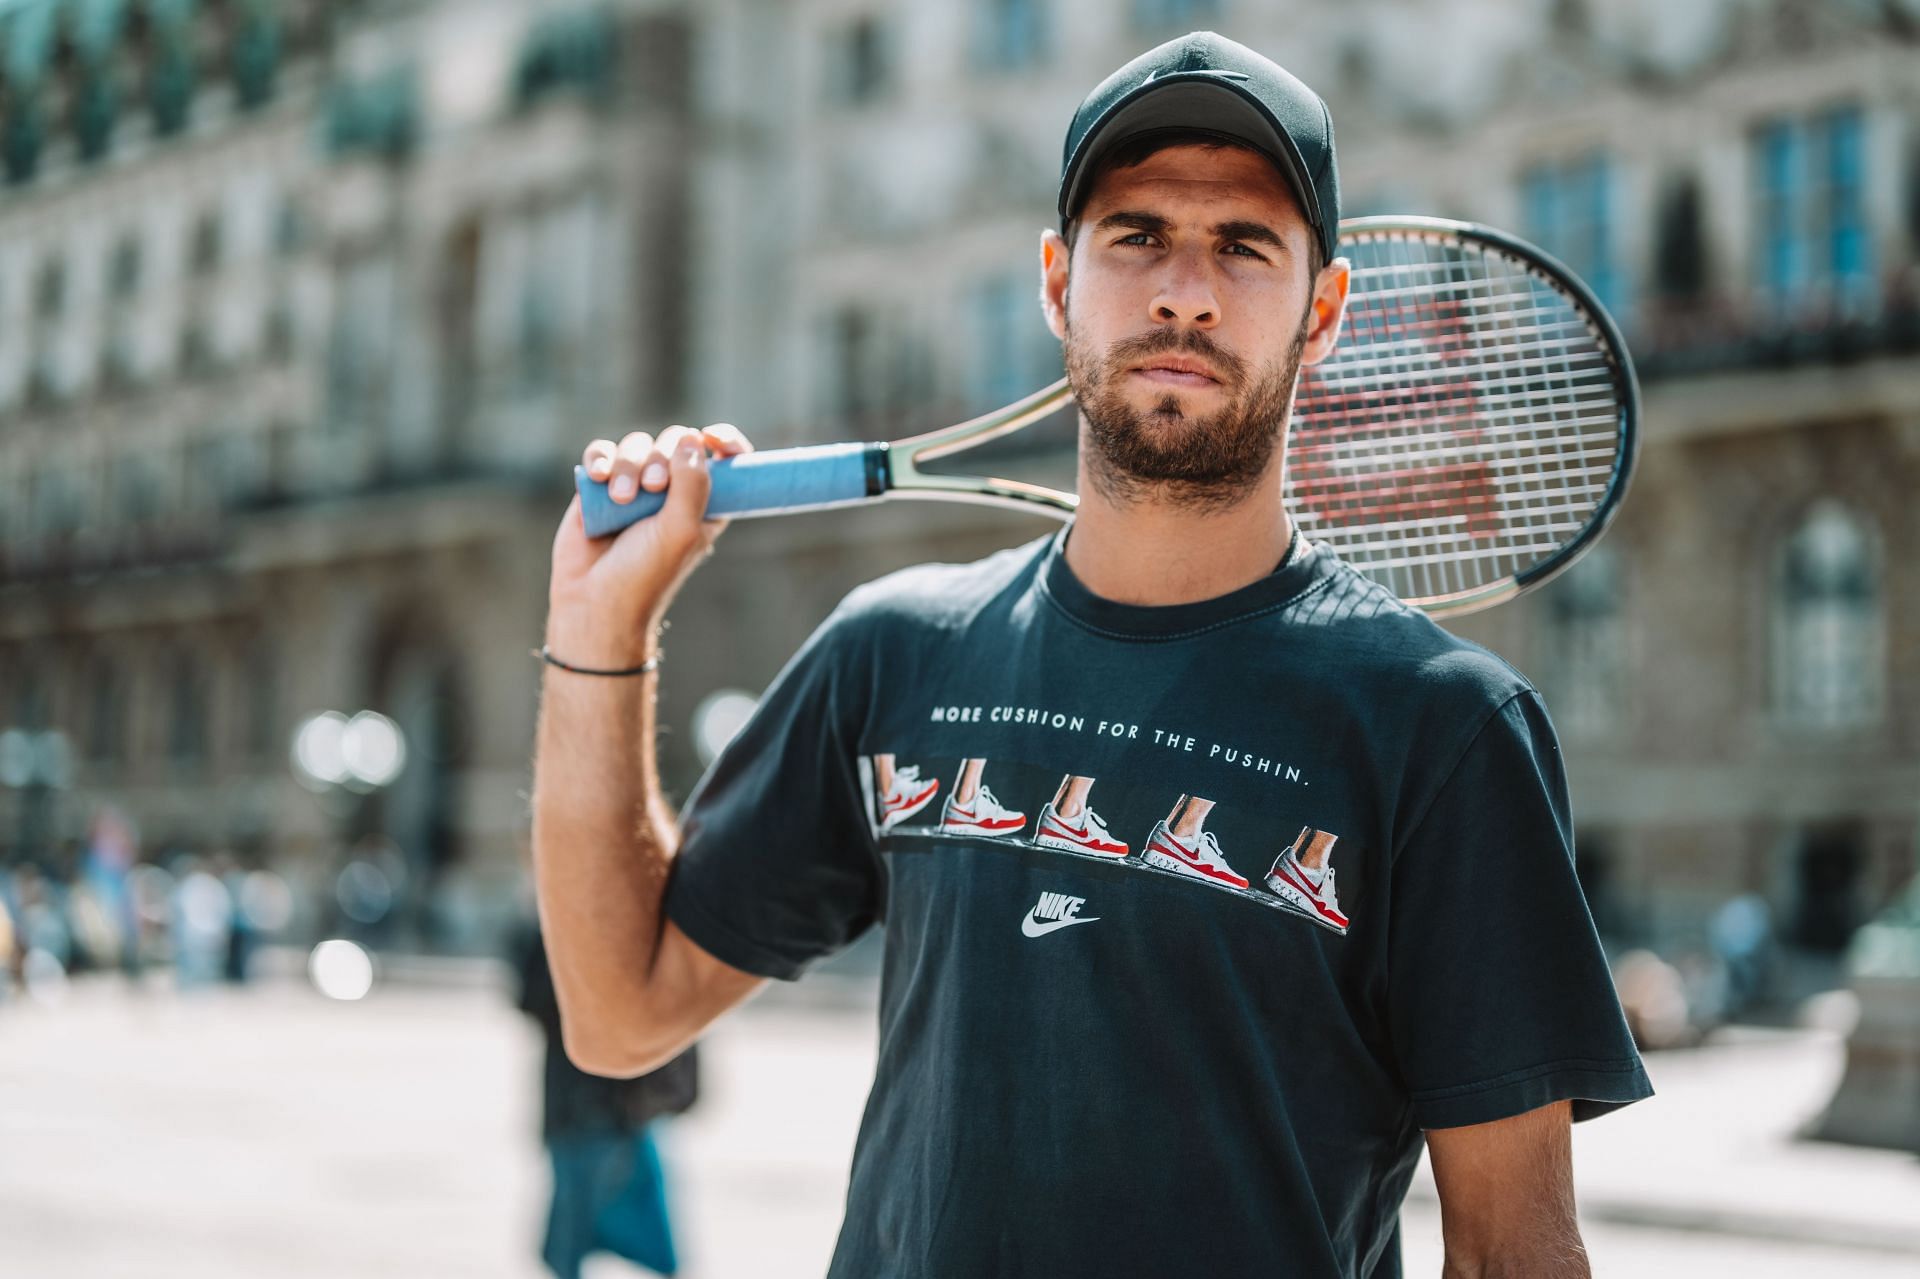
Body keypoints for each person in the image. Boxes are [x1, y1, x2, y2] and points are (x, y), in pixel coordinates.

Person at [532, 31, 1651, 1278]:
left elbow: (1515, 1257)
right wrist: (597, 628)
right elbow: (621, 1011)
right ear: (1059, 284)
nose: (1186, 289)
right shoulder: (896, 651)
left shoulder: (1442, 727)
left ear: (1322, 310)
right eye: (1139, 236)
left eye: (1243, 243)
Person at [511, 912, 695, 1279]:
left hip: (619, 1108)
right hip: (588, 1105)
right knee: (572, 1237)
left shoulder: (648, 923)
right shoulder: (556, 929)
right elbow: (532, 998)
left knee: (608, 1231)